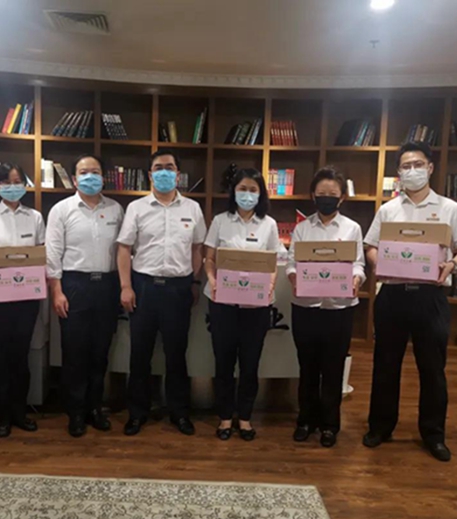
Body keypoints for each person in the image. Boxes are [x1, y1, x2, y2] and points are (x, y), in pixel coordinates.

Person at [362, 141, 457, 462]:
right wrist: (379, 262)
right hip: (393, 295)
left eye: (418, 164)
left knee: (433, 369)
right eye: (406, 166)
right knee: (385, 364)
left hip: (430, 297)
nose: (412, 171)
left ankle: (433, 434)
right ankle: (381, 427)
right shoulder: (388, 209)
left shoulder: (450, 208)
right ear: (399, 172)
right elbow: (370, 246)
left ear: (430, 168)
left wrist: (452, 264)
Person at [117, 150, 207, 436]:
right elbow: (124, 249)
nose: (164, 172)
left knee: (176, 355)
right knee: (140, 354)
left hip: (178, 289)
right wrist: (126, 286)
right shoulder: (137, 208)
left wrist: (194, 282)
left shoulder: (192, 208)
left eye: (170, 167)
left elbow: (197, 248)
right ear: (150, 175)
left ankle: (179, 413)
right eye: (159, 168)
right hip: (143, 287)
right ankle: (137, 413)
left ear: (178, 174)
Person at [286, 167, 366, 448]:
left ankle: (330, 425)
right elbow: (291, 263)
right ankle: (305, 421)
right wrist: (294, 278)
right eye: (322, 193)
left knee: (333, 369)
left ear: (342, 197)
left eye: (332, 194)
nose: (327, 198)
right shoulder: (302, 228)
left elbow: (358, 264)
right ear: (313, 196)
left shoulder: (352, 228)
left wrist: (356, 279)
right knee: (307, 367)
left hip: (339, 308)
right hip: (305, 306)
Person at [46, 155, 124, 437]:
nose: (90, 177)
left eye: (95, 172)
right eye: (83, 172)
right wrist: (57, 291)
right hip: (74, 284)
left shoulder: (116, 209)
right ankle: (76, 412)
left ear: (104, 177)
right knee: (75, 352)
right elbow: (52, 253)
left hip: (108, 285)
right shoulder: (61, 210)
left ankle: (94, 408)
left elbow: (123, 250)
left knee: (100, 352)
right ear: (74, 178)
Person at [204, 168, 281, 441]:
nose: (247, 195)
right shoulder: (220, 221)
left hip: (256, 306)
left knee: (250, 363)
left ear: (261, 194)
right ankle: (225, 417)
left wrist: (270, 284)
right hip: (223, 303)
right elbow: (209, 258)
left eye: (253, 190)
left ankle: (245, 418)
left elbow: (273, 262)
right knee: (223, 362)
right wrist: (212, 280)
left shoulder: (269, 224)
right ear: (233, 192)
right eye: (242, 189)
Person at [0, 164, 45, 438]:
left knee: (21, 356)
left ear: (25, 185)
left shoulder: (35, 217)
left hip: (26, 298)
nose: (13, 186)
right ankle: (2, 416)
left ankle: (20, 412)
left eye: (18, 181)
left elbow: (40, 253)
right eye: (7, 182)